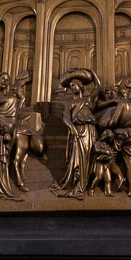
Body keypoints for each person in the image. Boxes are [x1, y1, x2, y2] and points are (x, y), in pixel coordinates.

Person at [52, 68, 99, 200]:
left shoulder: (88, 100)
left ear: (81, 86)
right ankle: (77, 185)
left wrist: (92, 72)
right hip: (77, 132)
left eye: (75, 85)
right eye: (71, 85)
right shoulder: (70, 103)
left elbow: (98, 87)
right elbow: (66, 117)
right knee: (76, 159)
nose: (73, 87)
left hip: (88, 131)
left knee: (87, 158)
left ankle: (83, 185)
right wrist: (71, 127)